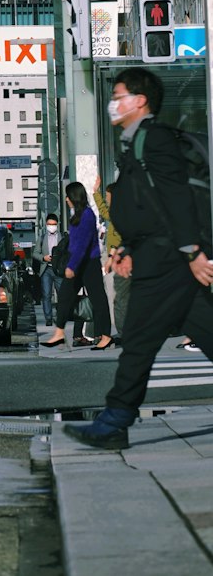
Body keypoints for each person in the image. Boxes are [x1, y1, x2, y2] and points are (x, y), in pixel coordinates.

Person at [66, 68, 213, 450]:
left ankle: (114, 420)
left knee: (138, 341)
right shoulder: (136, 144)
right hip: (158, 256)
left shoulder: (154, 139)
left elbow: (176, 198)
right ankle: (114, 419)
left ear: (140, 101)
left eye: (118, 96)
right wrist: (126, 248)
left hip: (167, 261)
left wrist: (192, 252)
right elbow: (144, 206)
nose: (113, 104)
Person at [40, 183, 113, 352]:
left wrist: (72, 266)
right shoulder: (77, 215)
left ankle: (106, 336)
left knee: (98, 299)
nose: (66, 199)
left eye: (68, 196)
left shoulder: (87, 215)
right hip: (78, 262)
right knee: (65, 295)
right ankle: (59, 333)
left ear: (74, 197)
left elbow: (82, 244)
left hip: (89, 263)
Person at [94, 175, 129, 340]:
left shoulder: (120, 213)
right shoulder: (117, 212)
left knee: (117, 296)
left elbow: (119, 236)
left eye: (108, 196)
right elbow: (103, 211)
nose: (107, 199)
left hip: (117, 258)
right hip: (114, 256)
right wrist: (96, 192)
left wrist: (111, 256)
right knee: (117, 295)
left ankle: (122, 330)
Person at [36, 212, 62, 328]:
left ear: (57, 224)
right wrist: (43, 257)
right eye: (49, 224)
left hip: (58, 270)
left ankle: (61, 316)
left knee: (61, 294)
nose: (51, 226)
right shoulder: (42, 238)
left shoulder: (63, 237)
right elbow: (35, 253)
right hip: (46, 269)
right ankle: (48, 318)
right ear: (46, 225)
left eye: (53, 224)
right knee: (46, 295)